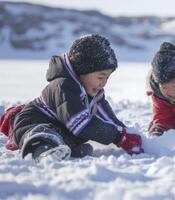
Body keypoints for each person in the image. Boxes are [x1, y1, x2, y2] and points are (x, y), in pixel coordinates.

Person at [0, 34, 144, 163]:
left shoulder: (95, 93)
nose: (104, 83)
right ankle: (42, 151)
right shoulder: (63, 86)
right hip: (31, 124)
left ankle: (64, 148)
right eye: (101, 77)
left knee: (73, 140)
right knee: (44, 132)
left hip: (61, 130)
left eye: (107, 77)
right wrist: (117, 137)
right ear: (83, 70)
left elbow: (109, 120)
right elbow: (78, 122)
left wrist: (126, 134)